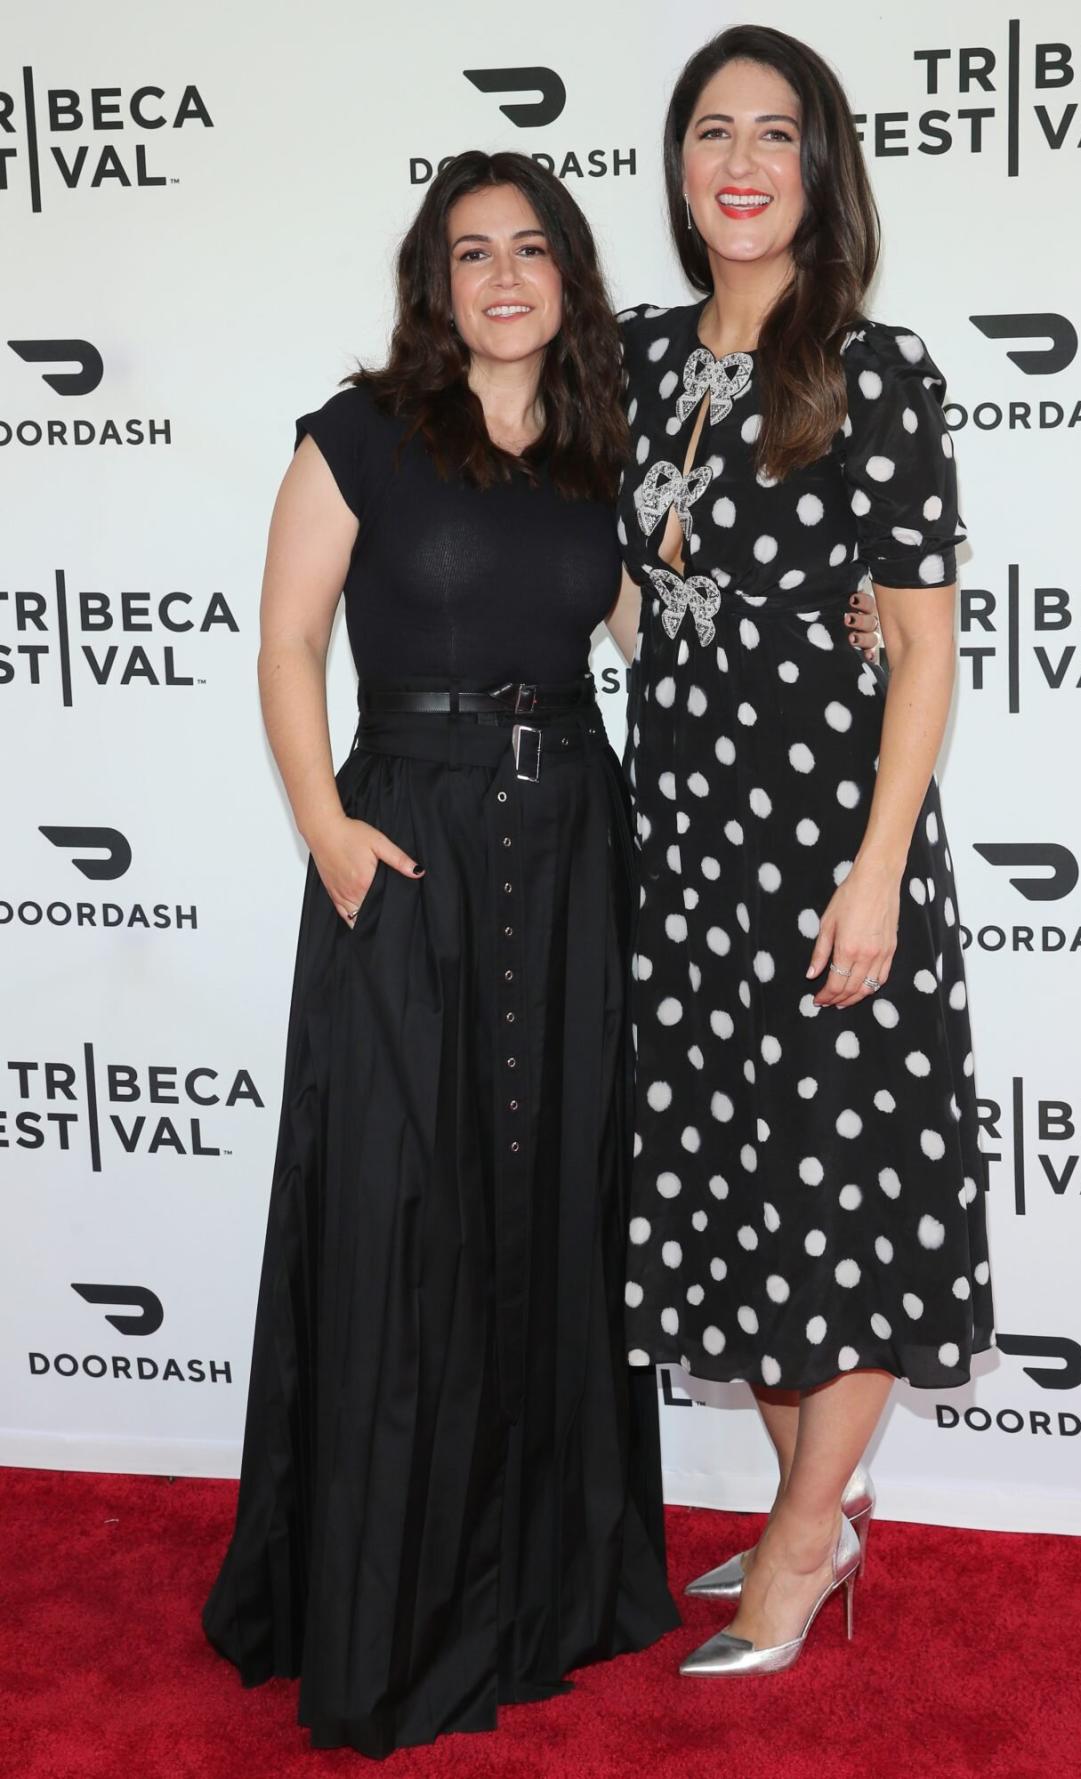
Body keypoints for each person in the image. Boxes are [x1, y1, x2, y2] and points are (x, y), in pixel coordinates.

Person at [201, 150, 679, 1756]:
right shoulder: (361, 435)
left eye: (529, 248)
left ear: (568, 276)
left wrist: (835, 624)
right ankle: (393, 1596)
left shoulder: (600, 453)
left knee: (552, 1205)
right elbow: (283, 640)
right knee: (406, 1212)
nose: (500, 277)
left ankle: (547, 1591)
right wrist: (327, 827)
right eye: (469, 251)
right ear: (433, 279)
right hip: (406, 842)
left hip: (572, 859)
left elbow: (650, 633)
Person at [608, 24, 996, 1676]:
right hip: (684, 840)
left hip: (834, 841)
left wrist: (872, 866)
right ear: (679, 166)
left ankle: (787, 1552)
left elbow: (920, 646)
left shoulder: (878, 368)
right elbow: (609, 577)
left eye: (776, 133)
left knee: (842, 1190)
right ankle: (812, 1517)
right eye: (712, 131)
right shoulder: (623, 361)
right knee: (740, 1194)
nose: (741, 161)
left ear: (819, 166)